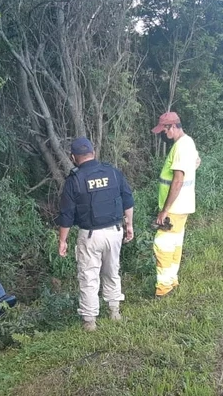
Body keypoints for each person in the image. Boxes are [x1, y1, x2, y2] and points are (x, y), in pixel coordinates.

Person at [55, 137, 135, 332]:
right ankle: (114, 311)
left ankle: (90, 321)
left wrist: (62, 240)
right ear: (93, 153)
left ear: (73, 157)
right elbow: (127, 199)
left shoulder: (74, 180)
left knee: (89, 276)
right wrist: (129, 225)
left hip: (90, 235)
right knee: (112, 271)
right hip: (115, 232)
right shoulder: (112, 172)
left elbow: (66, 215)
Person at [150, 111, 199, 298]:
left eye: (164, 130)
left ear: (172, 127)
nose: (163, 134)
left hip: (174, 207)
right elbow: (196, 162)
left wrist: (164, 210)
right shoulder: (188, 142)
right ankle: (172, 280)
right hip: (184, 205)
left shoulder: (180, 147)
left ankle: (163, 288)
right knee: (175, 244)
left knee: (161, 245)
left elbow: (177, 180)